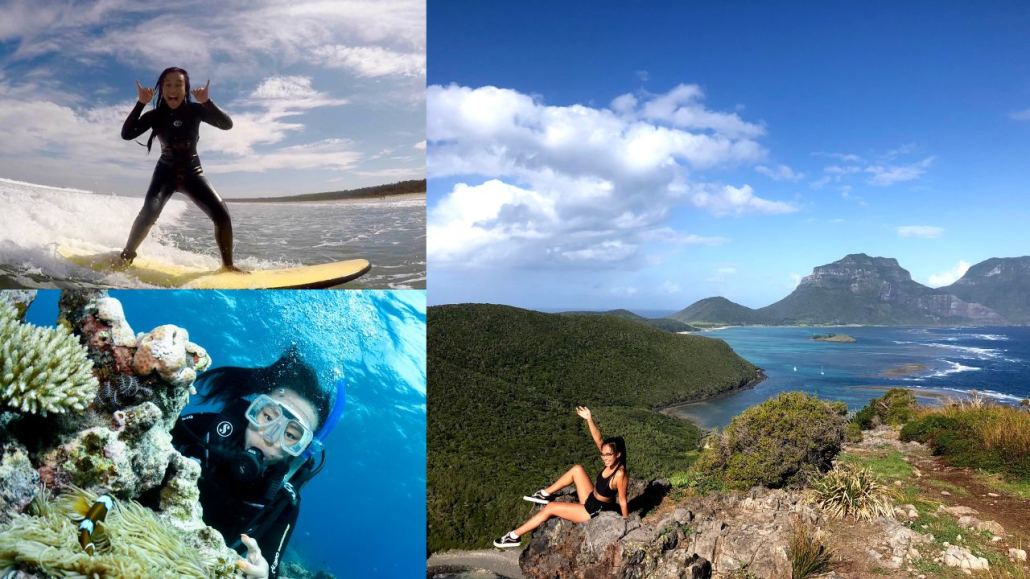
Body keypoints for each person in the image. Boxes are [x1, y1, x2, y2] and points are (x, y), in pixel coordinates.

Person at [166, 347, 344, 578]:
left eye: (290, 435)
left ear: (301, 450)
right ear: (252, 409)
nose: (269, 436)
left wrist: (261, 572)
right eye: (268, 417)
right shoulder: (205, 430)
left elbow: (268, 567)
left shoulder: (284, 500)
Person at [119, 66, 244, 272]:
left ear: (186, 89)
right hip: (165, 172)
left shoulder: (195, 111)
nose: (173, 89)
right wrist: (141, 103)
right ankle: (126, 257)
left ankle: (228, 266)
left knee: (222, 215)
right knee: (149, 212)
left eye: (179, 84)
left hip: (192, 173)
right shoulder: (155, 115)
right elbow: (127, 134)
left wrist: (207, 101)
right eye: (168, 84)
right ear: (161, 89)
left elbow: (226, 124)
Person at [493, 406, 628, 549]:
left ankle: (513, 536)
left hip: (595, 511)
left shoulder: (620, 474)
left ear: (618, 454)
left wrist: (626, 523)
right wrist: (589, 419)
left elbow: (623, 501)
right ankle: (544, 494)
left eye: (608, 455)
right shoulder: (610, 460)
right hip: (591, 499)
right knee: (577, 469)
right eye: (603, 454)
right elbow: (598, 438)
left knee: (551, 508)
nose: (604, 458)